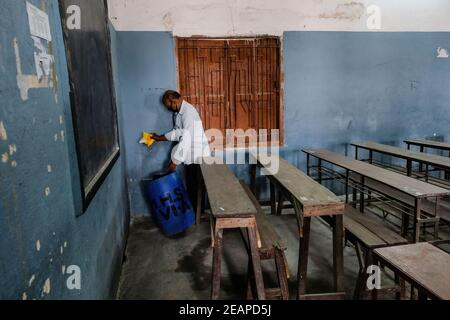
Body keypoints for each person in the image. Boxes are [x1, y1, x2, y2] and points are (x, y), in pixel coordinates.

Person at [151, 90, 211, 207]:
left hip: (198, 155)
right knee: (192, 185)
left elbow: (186, 139)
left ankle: (197, 214)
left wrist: (175, 161)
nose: (166, 107)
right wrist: (159, 138)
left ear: (173, 101)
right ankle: (195, 212)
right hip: (190, 155)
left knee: (196, 186)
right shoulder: (178, 113)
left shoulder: (188, 113)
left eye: (166, 104)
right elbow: (178, 132)